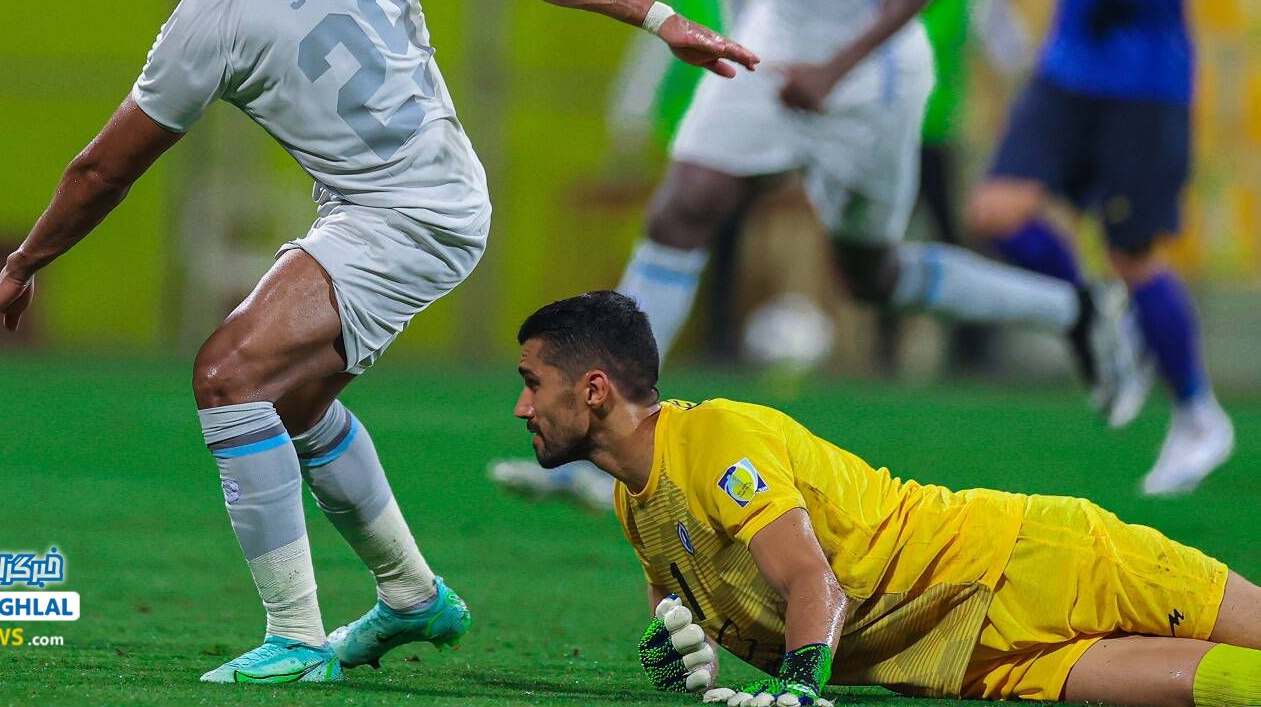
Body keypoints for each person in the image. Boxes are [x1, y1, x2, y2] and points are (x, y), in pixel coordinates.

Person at [0, 0, 757, 685]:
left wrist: (20, 266)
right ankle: (413, 596)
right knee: (291, 402)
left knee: (228, 376)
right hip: (427, 196)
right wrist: (658, 19)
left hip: (406, 212)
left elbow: (103, 169)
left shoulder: (203, 20)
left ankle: (295, 638)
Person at [490, 0, 1138, 510]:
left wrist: (837, 68)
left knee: (870, 274)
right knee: (679, 211)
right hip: (769, 48)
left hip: (863, 81)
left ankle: (1079, 310)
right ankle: (596, 446)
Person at [511, 291, 1261, 707]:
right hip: (968, 659)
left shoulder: (715, 438)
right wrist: (678, 658)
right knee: (1230, 689)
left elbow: (814, 581)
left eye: (532, 383)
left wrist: (800, 689)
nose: (521, 407)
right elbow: (682, 613)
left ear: (594, 389)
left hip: (1027, 557)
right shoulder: (634, 501)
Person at [967, 0, 1233, 496]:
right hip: (1066, 68)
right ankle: (1092, 317)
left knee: (1134, 254)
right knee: (994, 215)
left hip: (1139, 84)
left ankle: (1195, 412)